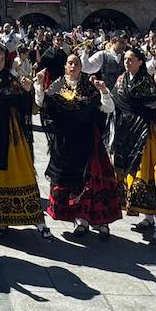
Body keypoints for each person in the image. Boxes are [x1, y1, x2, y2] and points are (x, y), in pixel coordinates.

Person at [37, 52, 121, 238]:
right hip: (66, 142)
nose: (73, 66)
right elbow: (43, 103)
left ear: (81, 67)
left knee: (92, 183)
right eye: (69, 63)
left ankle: (102, 223)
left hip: (88, 141)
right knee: (70, 183)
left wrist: (104, 92)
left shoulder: (89, 86)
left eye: (76, 63)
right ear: (65, 66)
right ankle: (80, 221)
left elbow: (108, 108)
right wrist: (38, 85)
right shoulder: (58, 85)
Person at [0, 45, 48, 236]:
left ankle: (8, 217)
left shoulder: (11, 81)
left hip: (8, 134)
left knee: (13, 174)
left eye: (2, 59)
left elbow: (24, 106)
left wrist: (28, 90)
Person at [110, 47, 156, 243]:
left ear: (140, 62)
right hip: (126, 132)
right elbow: (114, 101)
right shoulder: (121, 79)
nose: (127, 62)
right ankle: (147, 218)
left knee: (150, 175)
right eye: (125, 59)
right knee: (133, 176)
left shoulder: (148, 82)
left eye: (131, 59)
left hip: (145, 132)